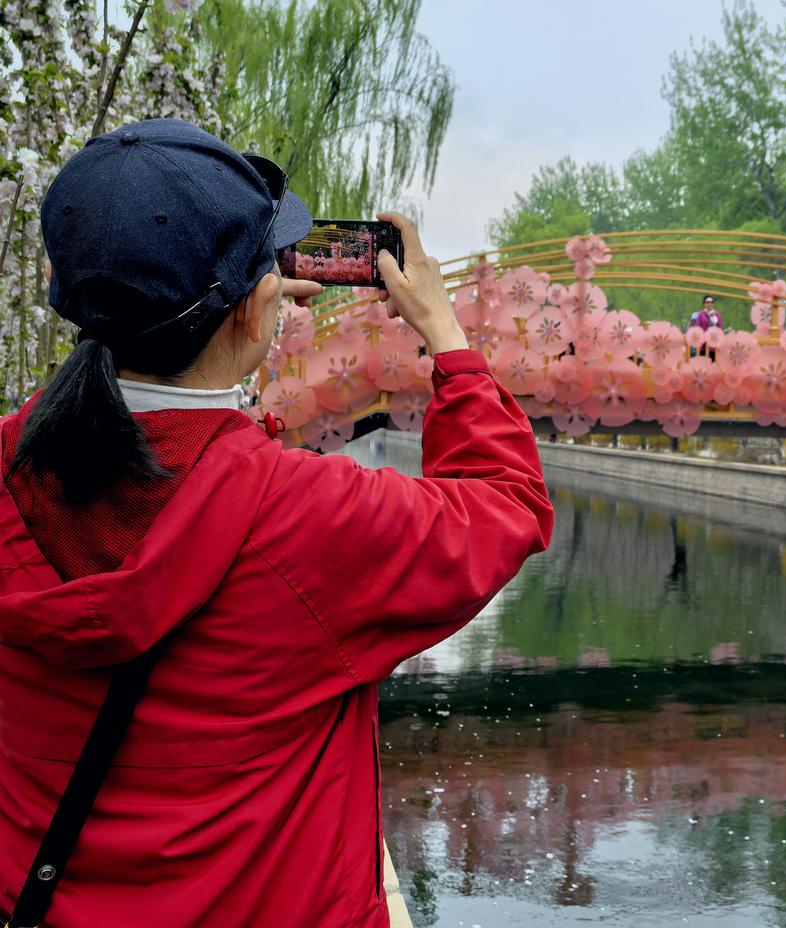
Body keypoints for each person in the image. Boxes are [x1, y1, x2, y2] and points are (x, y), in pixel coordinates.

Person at [0, 119, 554, 927]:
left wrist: (235, 328)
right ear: (256, 310)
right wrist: (445, 335)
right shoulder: (309, 519)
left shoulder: (13, 469)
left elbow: (147, 449)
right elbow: (506, 505)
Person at [689, 294, 724, 359]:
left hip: (713, 344)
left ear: (713, 304)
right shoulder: (701, 314)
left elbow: (720, 327)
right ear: (704, 304)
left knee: (712, 362)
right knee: (703, 362)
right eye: (707, 302)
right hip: (703, 344)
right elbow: (697, 328)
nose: (709, 304)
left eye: (711, 302)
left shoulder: (717, 314)